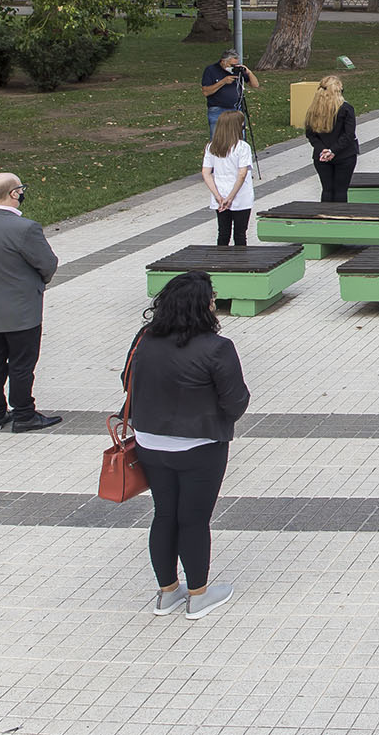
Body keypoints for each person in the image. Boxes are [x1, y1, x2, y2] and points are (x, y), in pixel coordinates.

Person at [127, 270, 251, 619]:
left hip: (149, 442)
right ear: (203, 306)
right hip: (200, 445)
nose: (215, 302)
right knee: (194, 519)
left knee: (165, 513)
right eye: (212, 298)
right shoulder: (218, 348)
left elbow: (128, 382)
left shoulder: (144, 339)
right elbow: (236, 402)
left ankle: (167, 593)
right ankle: (198, 595)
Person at [0, 172, 61, 432]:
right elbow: (48, 263)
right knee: (21, 364)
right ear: (14, 193)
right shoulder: (25, 228)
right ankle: (24, 414)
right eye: (21, 189)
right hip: (22, 309)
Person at [201, 110, 256, 245]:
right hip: (240, 195)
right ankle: (240, 257)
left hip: (220, 194)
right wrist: (231, 197)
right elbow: (242, 174)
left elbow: (206, 173)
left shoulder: (211, 147)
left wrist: (218, 196)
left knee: (223, 232)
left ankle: (220, 257)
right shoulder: (242, 147)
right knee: (240, 233)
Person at [304, 75, 358, 203]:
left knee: (327, 190)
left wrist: (322, 149)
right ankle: (339, 215)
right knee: (341, 190)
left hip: (321, 156)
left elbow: (310, 134)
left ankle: (325, 214)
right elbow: (348, 134)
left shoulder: (313, 110)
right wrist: (332, 151)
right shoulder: (346, 109)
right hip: (344, 155)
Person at [199, 49, 258, 138]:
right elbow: (206, 92)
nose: (233, 67)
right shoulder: (211, 70)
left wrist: (249, 72)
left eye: (236, 64)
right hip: (218, 109)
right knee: (217, 138)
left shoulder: (237, 70)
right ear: (223, 61)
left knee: (239, 137)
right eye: (231, 65)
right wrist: (223, 82)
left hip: (236, 109)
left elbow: (255, 85)